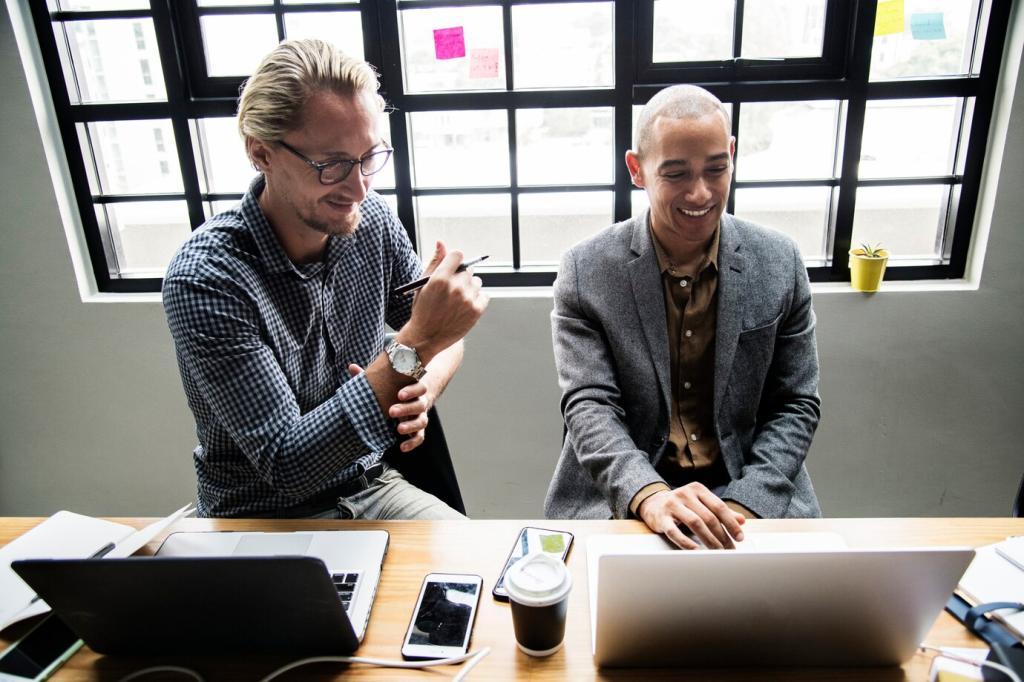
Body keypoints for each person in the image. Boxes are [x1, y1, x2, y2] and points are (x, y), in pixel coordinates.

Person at [162, 39, 487, 518]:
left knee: (481, 558)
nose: (358, 188)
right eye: (331, 165)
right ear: (261, 153)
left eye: (369, 157)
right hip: (260, 516)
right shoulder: (207, 279)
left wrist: (423, 389)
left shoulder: (371, 220)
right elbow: (288, 466)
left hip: (372, 485)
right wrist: (415, 345)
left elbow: (440, 336)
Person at [544, 84, 821, 549]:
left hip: (748, 488)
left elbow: (796, 403)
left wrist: (741, 506)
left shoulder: (780, 261)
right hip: (630, 493)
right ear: (637, 170)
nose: (701, 192)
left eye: (716, 168)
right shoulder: (585, 270)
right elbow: (589, 405)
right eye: (676, 174)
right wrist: (649, 494)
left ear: (732, 154)